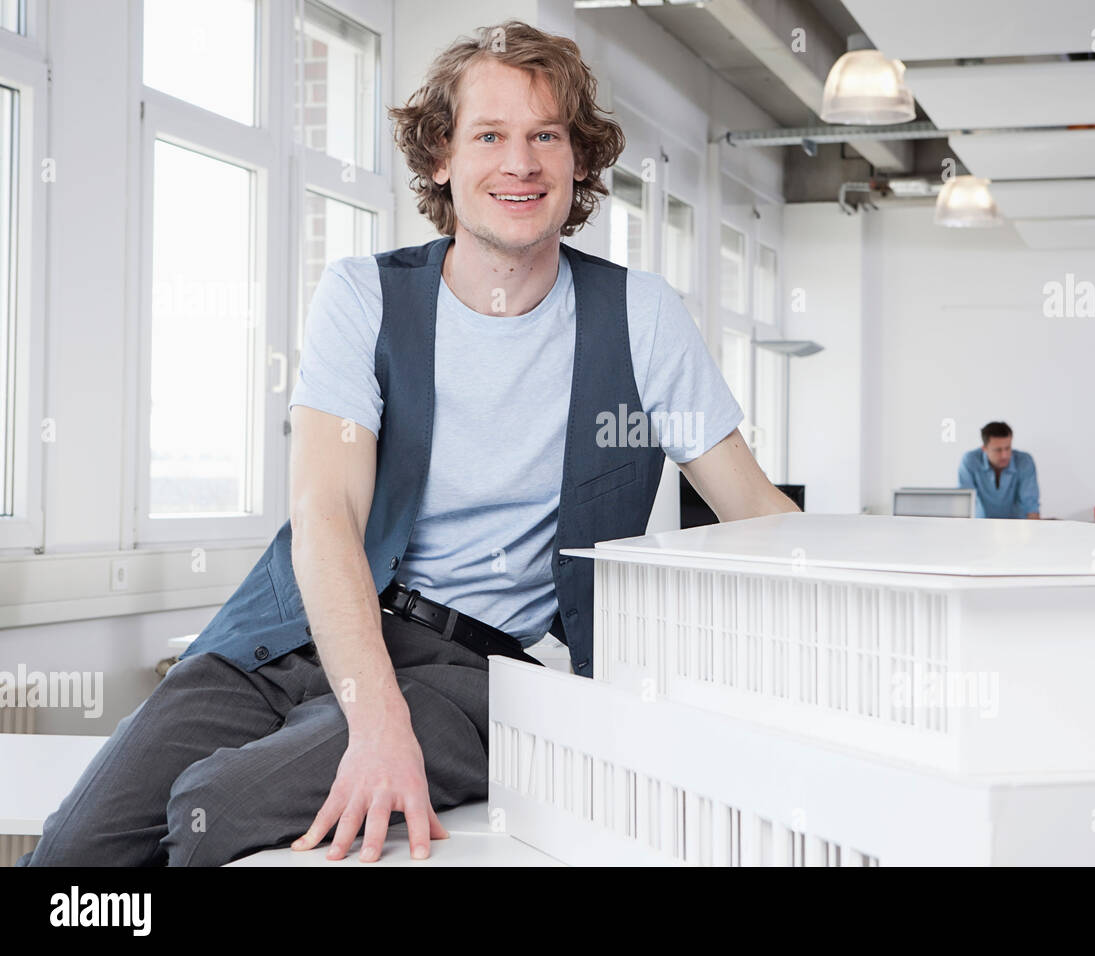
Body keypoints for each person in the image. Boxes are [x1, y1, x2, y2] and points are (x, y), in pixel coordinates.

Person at [19, 20, 800, 868]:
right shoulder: (366, 296)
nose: (521, 163)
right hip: (287, 634)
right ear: (440, 157)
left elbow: (754, 516)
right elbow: (327, 512)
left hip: (467, 675)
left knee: (213, 806)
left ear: (580, 160)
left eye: (547, 136)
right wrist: (373, 716)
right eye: (489, 135)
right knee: (71, 855)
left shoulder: (639, 316)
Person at [957, 421, 1040, 519]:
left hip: (1017, 527)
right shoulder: (970, 460)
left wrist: (1035, 530)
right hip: (980, 526)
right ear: (984, 449)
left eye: (1007, 448)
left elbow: (1030, 504)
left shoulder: (1024, 461)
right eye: (998, 450)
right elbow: (965, 505)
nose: (1004, 455)